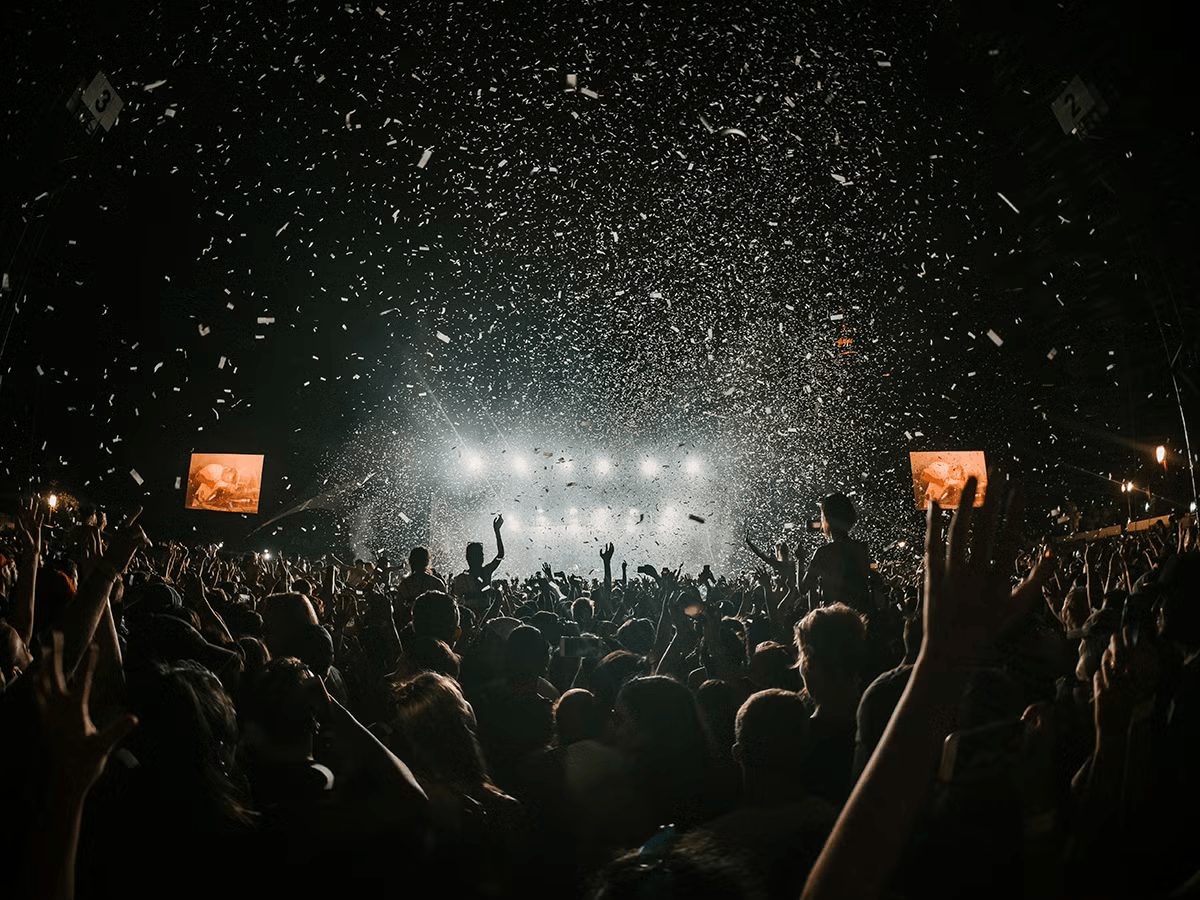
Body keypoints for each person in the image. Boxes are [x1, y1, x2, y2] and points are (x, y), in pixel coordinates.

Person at [800, 492, 873, 614]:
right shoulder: (861, 548)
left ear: (827, 518)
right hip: (858, 618)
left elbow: (803, 588)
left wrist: (800, 560)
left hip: (834, 619)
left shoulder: (824, 552)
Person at [450, 516, 505, 615]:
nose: (481, 558)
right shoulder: (463, 578)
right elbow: (456, 602)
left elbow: (500, 555)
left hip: (484, 616)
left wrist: (497, 531)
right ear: (468, 558)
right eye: (479, 555)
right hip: (470, 617)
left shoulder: (484, 572)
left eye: (481, 555)